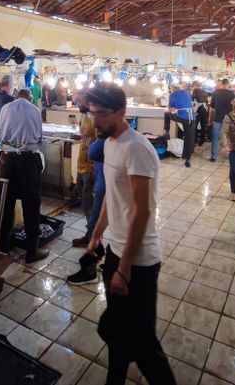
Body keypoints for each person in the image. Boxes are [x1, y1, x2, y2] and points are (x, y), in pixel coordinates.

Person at [85, 83, 177, 385]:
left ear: (122, 112)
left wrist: (124, 269)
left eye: (100, 114)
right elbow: (114, 197)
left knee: (143, 344)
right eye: (91, 112)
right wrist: (98, 233)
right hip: (115, 250)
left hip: (138, 261)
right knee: (117, 334)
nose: (94, 120)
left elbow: (142, 211)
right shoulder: (110, 142)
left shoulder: (137, 148)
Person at [0, 88, 48, 263]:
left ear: (17, 96)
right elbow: (39, 137)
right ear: (29, 97)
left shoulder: (6, 108)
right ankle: (32, 251)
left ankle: (4, 246)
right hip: (27, 160)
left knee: (5, 202)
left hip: (6, 160)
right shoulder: (34, 110)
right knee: (31, 204)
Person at [67, 136, 107, 285]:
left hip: (106, 190)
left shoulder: (113, 137)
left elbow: (94, 151)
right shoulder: (110, 134)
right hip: (102, 185)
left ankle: (90, 271)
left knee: (93, 224)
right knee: (94, 224)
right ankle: (101, 252)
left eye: (100, 113)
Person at [72, 91, 96, 247]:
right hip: (82, 164)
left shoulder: (95, 119)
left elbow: (99, 143)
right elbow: (84, 137)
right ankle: (91, 235)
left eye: (79, 101)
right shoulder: (84, 115)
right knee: (84, 203)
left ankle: (93, 239)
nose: (76, 103)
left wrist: (94, 167)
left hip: (90, 167)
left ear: (88, 101)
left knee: (89, 205)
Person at [164, 83, 194, 167]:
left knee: (166, 114)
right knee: (189, 138)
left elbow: (170, 109)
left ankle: (167, 131)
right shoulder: (187, 93)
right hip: (192, 118)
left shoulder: (172, 95)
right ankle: (187, 159)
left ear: (172, 88)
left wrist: (173, 111)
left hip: (182, 117)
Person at [209, 79, 235, 162]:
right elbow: (234, 107)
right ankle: (227, 155)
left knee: (215, 138)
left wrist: (210, 117)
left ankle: (214, 157)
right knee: (228, 138)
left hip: (217, 118)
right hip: (228, 118)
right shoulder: (232, 94)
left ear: (221, 84)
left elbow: (212, 107)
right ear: (228, 84)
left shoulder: (216, 92)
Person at [191, 81, 208, 146]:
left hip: (198, 110)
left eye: (193, 85)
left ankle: (194, 141)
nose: (193, 87)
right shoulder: (204, 91)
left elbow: (192, 101)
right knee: (203, 127)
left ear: (195, 85)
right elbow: (206, 101)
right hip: (204, 110)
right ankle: (201, 142)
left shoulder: (195, 91)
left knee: (194, 126)